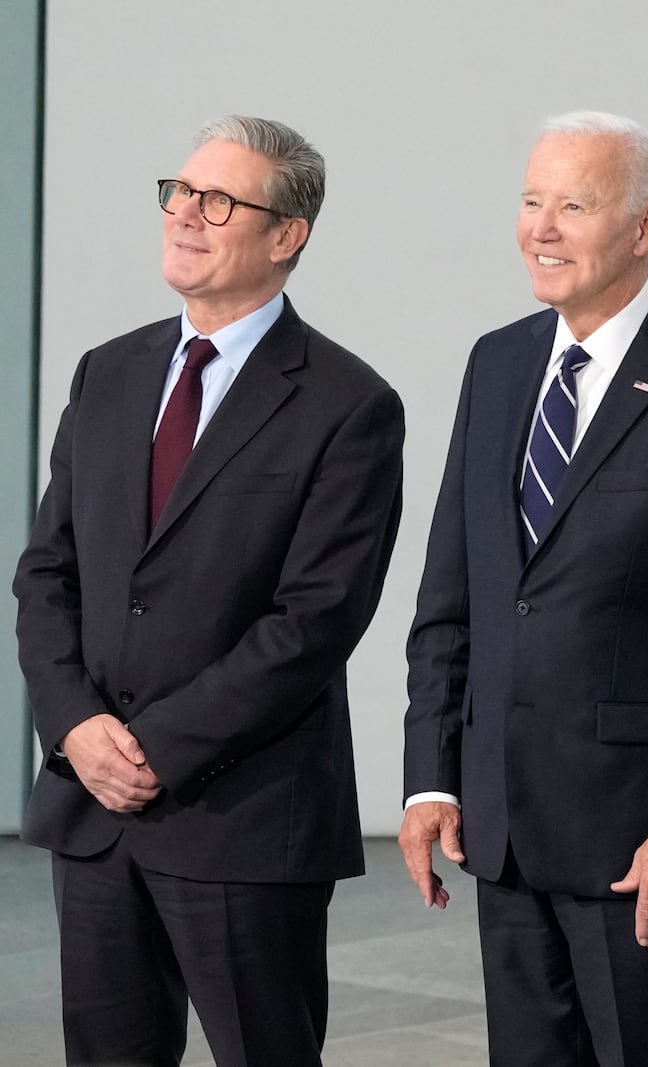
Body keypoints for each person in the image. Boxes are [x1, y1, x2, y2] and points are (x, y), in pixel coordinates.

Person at [399, 111, 648, 1066]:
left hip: (642, 851)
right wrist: (430, 774)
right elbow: (451, 596)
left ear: (642, 223)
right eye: (532, 200)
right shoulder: (496, 364)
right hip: (504, 832)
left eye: (571, 205)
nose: (541, 227)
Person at [13, 115, 405, 1066]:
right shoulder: (107, 373)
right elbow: (47, 573)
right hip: (95, 811)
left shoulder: (349, 405)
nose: (186, 215)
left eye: (218, 200)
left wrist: (152, 746)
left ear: (286, 236)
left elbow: (314, 623)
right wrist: (74, 727)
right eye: (180, 192)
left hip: (245, 820)